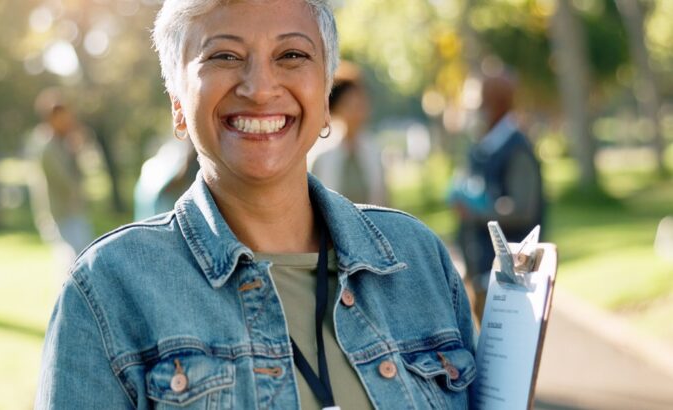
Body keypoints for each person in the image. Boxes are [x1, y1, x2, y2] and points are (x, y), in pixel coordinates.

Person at [36, 1, 476, 408]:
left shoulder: (418, 261)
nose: (261, 88)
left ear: (325, 98)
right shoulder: (106, 291)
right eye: (224, 56)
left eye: (292, 56)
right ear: (176, 103)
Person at [449, 73, 545, 321]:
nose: (478, 110)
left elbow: (523, 210)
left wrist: (476, 212)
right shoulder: (486, 145)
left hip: (510, 278)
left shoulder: (516, 148)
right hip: (482, 270)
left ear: (496, 104)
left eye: (482, 103)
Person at [27, 93, 94, 261]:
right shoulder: (47, 147)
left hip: (72, 211)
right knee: (74, 264)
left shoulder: (62, 142)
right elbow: (67, 182)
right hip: (61, 215)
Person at [311, 61, 388, 206]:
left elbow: (385, 201)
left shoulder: (374, 150)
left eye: (361, 101)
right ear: (337, 106)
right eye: (351, 103)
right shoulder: (321, 153)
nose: (359, 109)